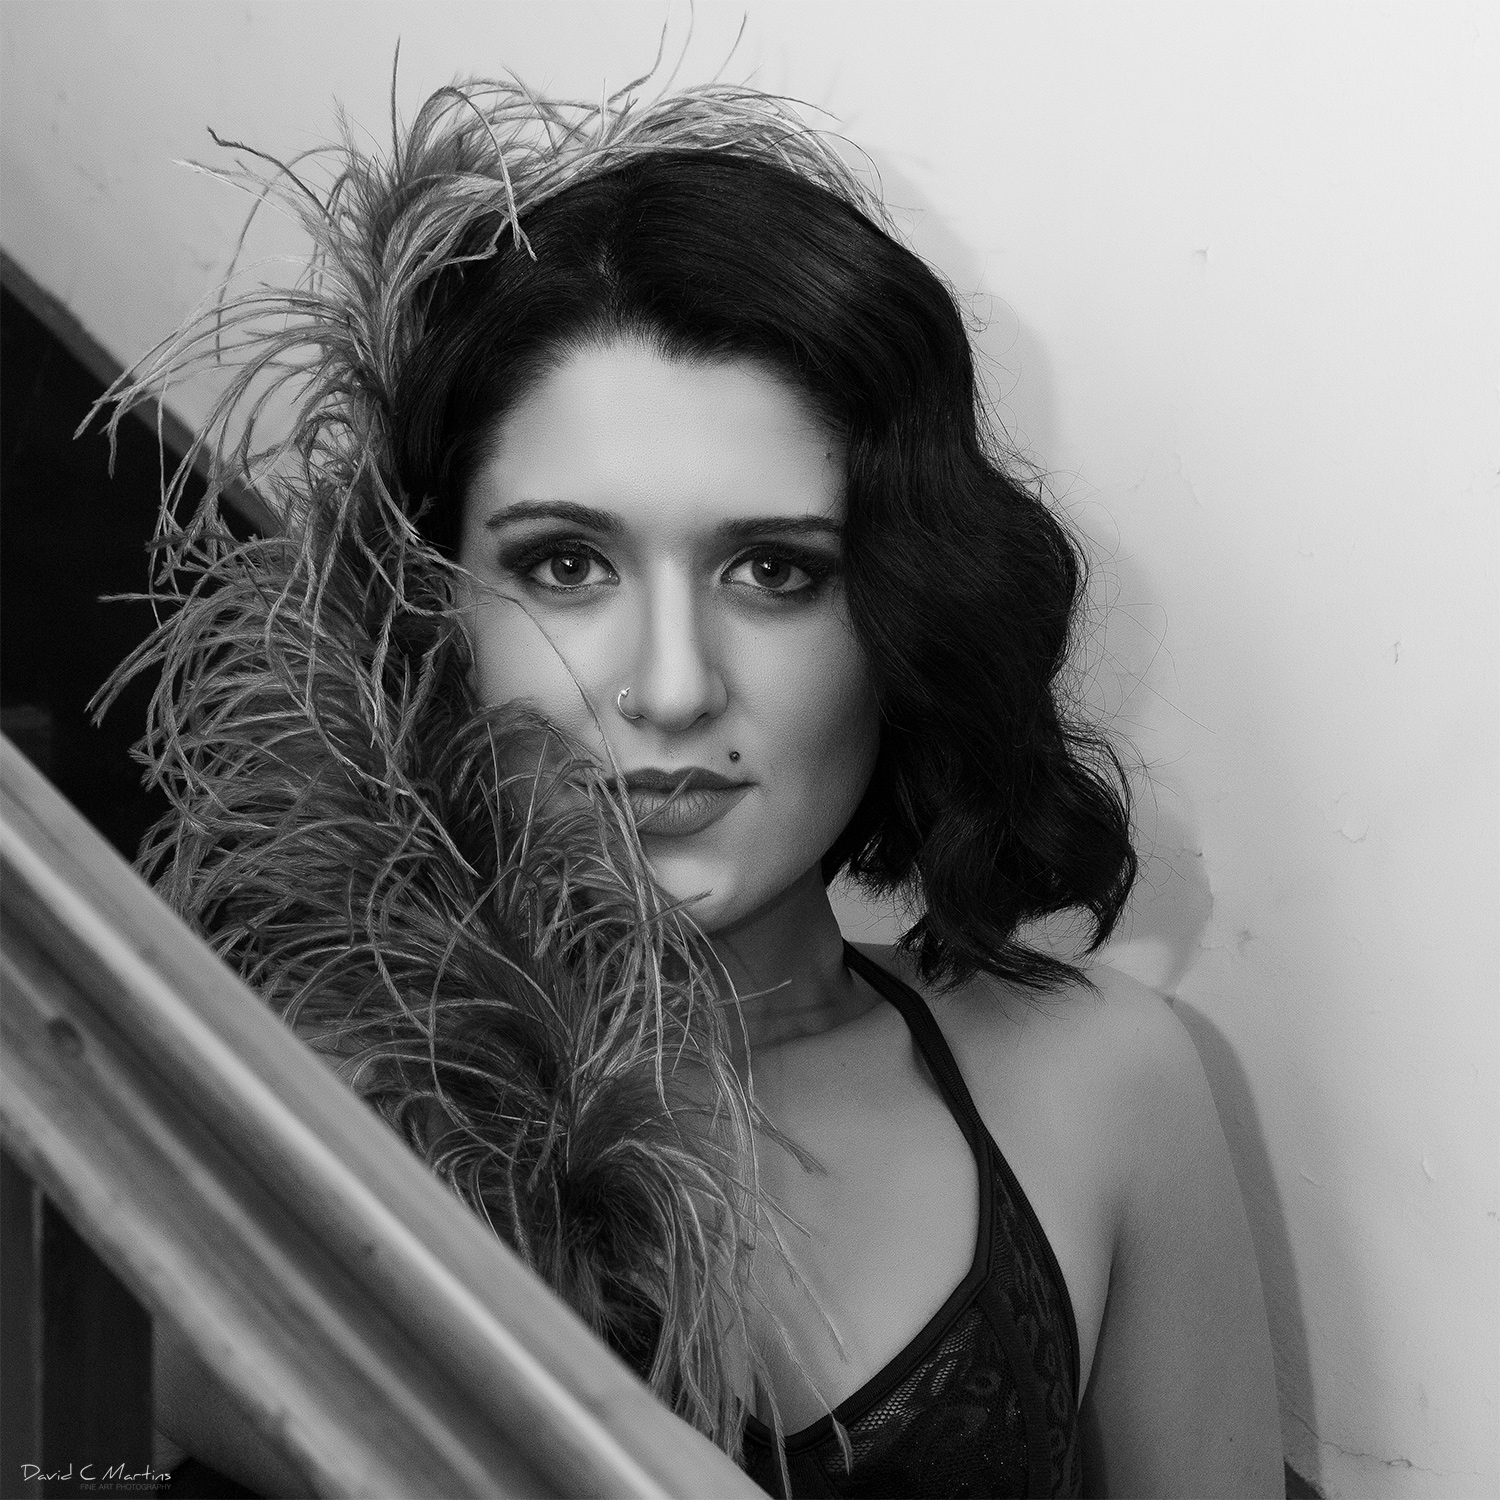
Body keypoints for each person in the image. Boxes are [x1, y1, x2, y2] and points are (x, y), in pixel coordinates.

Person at [105, 70, 1282, 1499]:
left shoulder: (1102, 1086)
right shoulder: (300, 1112)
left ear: (906, 615)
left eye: (774, 570)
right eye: (565, 565)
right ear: (428, 613)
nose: (669, 688)